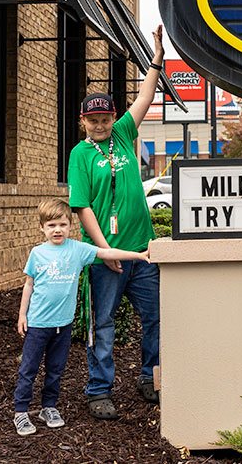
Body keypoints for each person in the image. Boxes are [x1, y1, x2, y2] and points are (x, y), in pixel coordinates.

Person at [67, 25, 165, 421]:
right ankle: (99, 391)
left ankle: (150, 378)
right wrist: (102, 250)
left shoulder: (124, 135)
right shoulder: (79, 155)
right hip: (106, 258)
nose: (101, 124)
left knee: (157, 317)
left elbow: (145, 95)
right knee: (102, 325)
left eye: (106, 117)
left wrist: (157, 56)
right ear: (83, 121)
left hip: (142, 252)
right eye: (94, 120)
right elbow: (83, 206)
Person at [12, 198, 150, 436]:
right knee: (29, 369)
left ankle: (49, 407)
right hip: (38, 325)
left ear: (70, 226)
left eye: (63, 224)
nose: (57, 230)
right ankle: (21, 412)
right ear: (42, 228)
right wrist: (22, 315)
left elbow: (107, 252)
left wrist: (139, 256)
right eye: (52, 225)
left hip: (62, 326)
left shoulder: (77, 250)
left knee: (56, 369)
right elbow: (28, 285)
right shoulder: (38, 253)